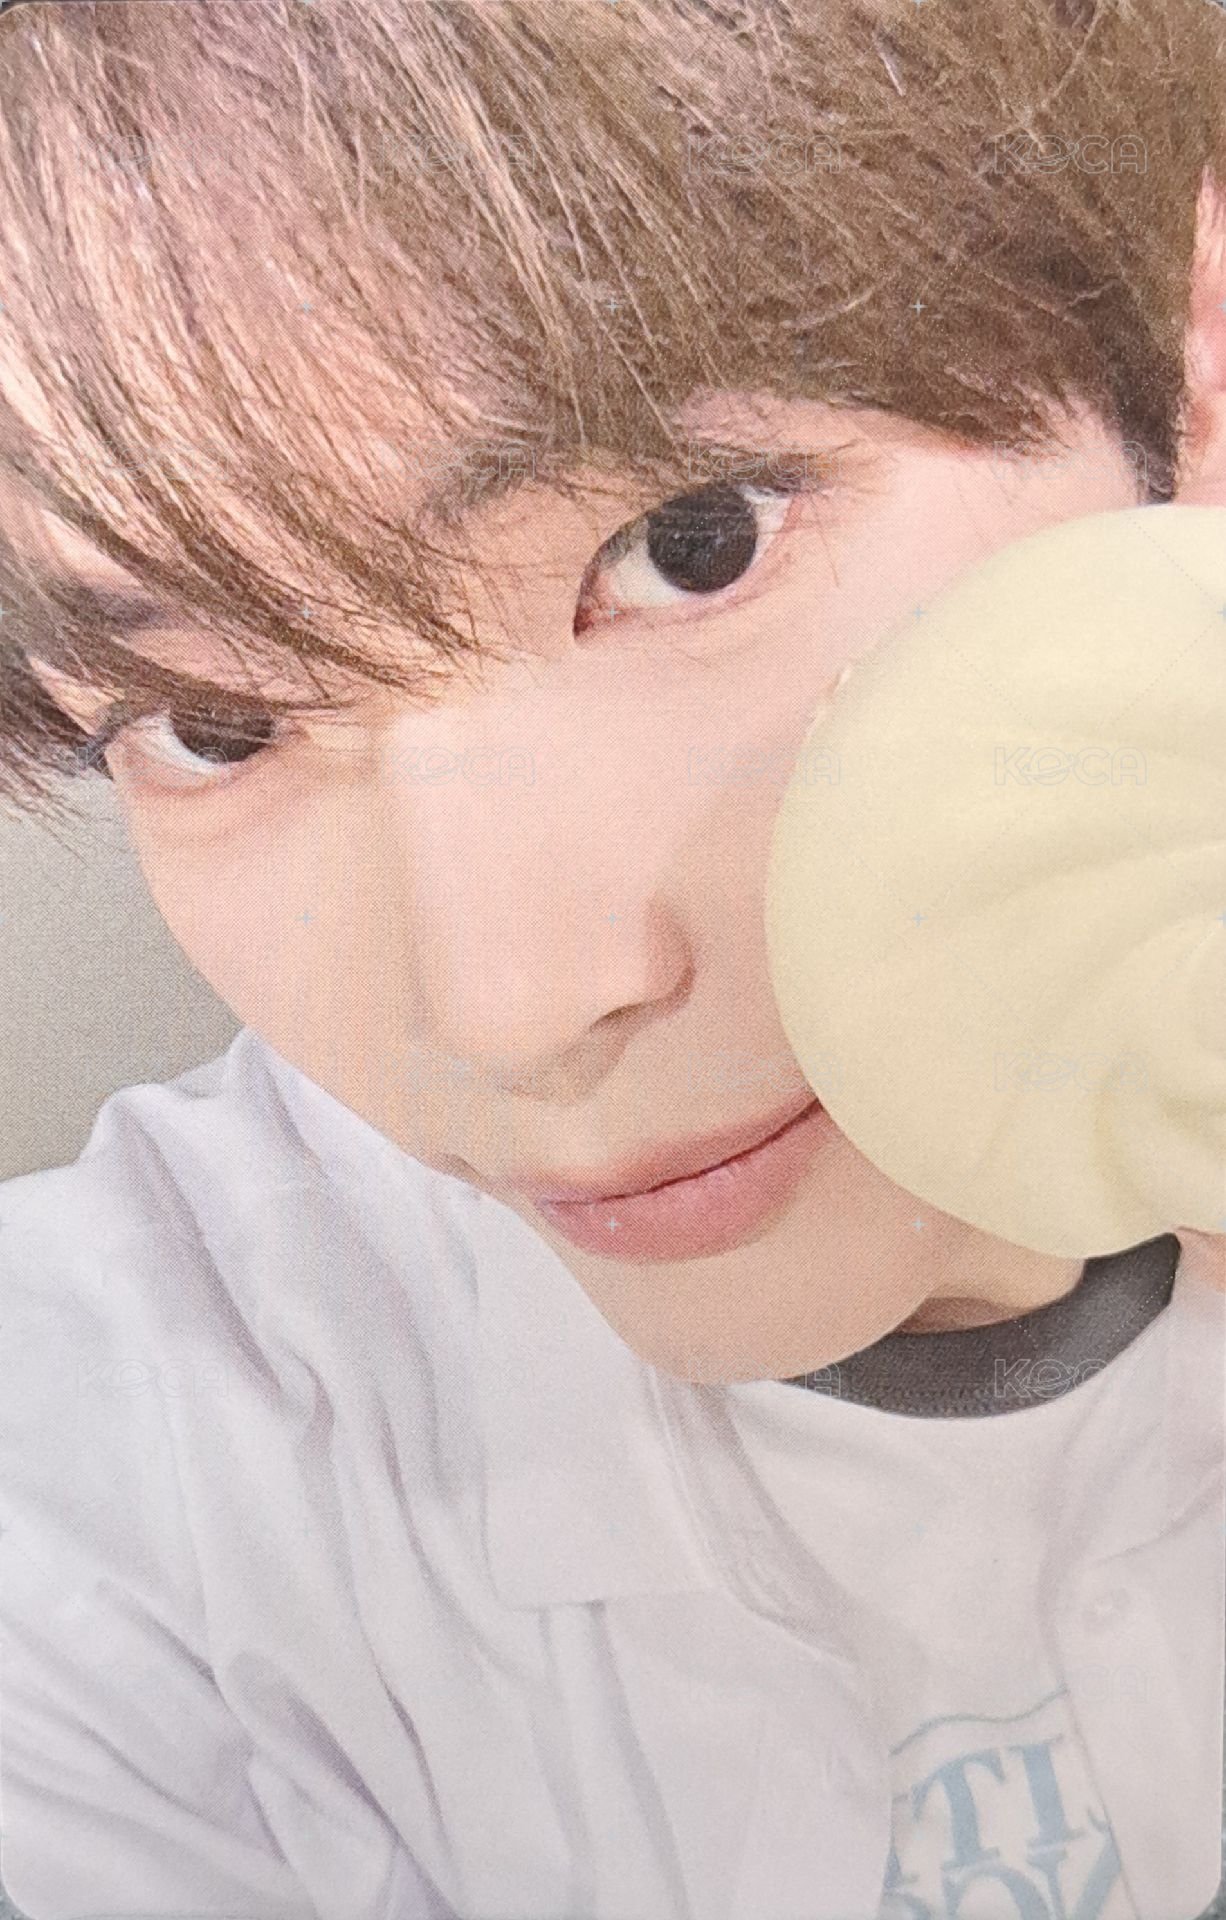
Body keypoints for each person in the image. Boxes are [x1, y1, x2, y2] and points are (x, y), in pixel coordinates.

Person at [0, 1, 1223, 1915]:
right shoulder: (105, 1481)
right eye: (212, 724)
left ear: (1193, 363)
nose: (506, 1009)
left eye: (691, 543)